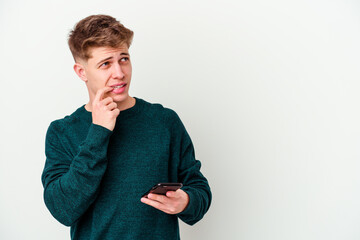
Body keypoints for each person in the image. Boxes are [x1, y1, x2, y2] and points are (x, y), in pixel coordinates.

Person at [41, 14, 211, 239]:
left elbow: (199, 189)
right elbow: (63, 210)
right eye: (105, 64)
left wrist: (186, 201)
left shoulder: (164, 121)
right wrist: (99, 132)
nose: (119, 73)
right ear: (82, 72)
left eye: (124, 59)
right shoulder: (62, 132)